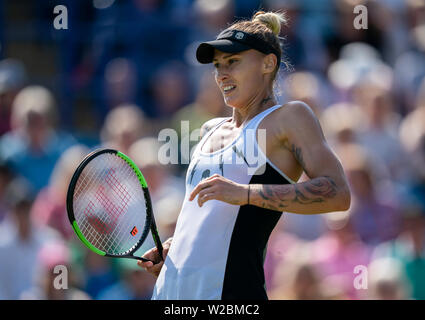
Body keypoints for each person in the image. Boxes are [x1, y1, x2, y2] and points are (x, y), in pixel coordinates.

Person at [138, 11, 351, 300]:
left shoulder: (291, 117)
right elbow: (210, 219)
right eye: (217, 65)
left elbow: (338, 194)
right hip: (171, 293)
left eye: (233, 62)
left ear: (268, 63)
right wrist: (178, 250)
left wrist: (246, 193)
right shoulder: (209, 129)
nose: (221, 74)